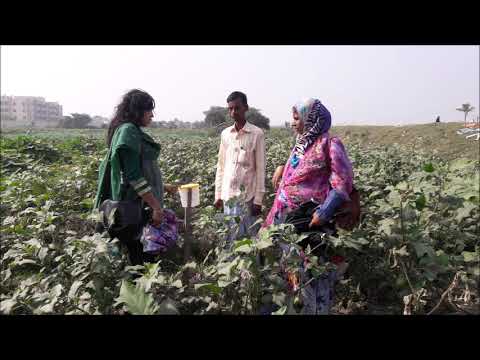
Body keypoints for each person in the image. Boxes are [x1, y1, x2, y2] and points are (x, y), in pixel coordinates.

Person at [262, 98, 354, 314]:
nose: (293, 123)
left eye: (296, 118)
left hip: (310, 222)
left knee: (312, 274)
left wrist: (325, 211)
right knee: (289, 272)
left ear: (311, 119)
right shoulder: (301, 144)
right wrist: (280, 166)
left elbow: (343, 181)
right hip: (286, 219)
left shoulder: (330, 143)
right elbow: (295, 170)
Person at [94, 89, 175, 265]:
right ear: (137, 111)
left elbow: (137, 171)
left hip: (136, 205)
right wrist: (156, 207)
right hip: (134, 209)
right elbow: (133, 176)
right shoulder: (128, 131)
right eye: (148, 110)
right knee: (140, 259)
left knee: (138, 256)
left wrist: (163, 186)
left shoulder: (128, 130)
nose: (152, 115)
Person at [214, 91, 266, 244]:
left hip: (246, 198)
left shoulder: (257, 134)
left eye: (236, 108)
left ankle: (249, 269)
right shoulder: (225, 134)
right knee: (230, 237)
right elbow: (221, 166)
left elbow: (261, 169)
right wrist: (218, 194)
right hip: (228, 196)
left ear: (246, 108)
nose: (233, 112)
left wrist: (258, 200)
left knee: (248, 240)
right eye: (230, 109)